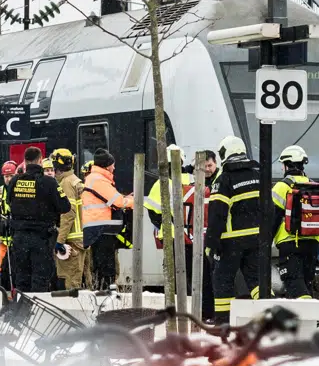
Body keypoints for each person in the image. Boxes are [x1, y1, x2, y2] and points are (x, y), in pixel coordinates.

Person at [146, 145, 214, 319]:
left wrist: (170, 223)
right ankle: (205, 312)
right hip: (193, 237)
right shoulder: (190, 180)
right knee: (201, 276)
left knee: (176, 279)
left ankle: (180, 313)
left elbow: (153, 213)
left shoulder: (161, 184)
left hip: (173, 239)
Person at [206, 135, 262, 320]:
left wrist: (211, 244)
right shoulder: (259, 177)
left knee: (222, 281)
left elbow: (217, 215)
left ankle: (223, 323)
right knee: (257, 281)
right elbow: (269, 209)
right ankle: (269, 316)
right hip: (256, 240)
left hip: (230, 242)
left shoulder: (224, 180)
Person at [5, 146, 69, 292]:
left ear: (25, 161)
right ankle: (35, 305)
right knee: (40, 279)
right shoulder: (49, 182)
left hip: (19, 238)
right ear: (40, 160)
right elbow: (65, 206)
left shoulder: (15, 181)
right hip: (41, 238)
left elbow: (9, 201)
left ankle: (21, 306)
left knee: (22, 279)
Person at [269, 144, 319, 299]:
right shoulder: (315, 186)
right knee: (307, 282)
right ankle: (309, 311)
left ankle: (305, 309)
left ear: (287, 165)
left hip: (290, 243)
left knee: (294, 284)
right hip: (313, 243)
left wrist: (265, 244)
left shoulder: (281, 187)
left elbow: (273, 218)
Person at [81, 149, 133, 290]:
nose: (114, 168)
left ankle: (102, 290)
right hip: (101, 229)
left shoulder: (96, 178)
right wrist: (133, 201)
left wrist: (125, 198)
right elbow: (118, 202)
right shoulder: (98, 180)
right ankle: (105, 293)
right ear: (107, 166)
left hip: (99, 228)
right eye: (112, 164)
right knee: (106, 268)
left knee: (101, 266)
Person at [50, 148, 88, 290]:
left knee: (69, 282)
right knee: (79, 279)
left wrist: (59, 241)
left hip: (71, 241)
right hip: (80, 239)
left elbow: (68, 214)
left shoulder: (66, 184)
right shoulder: (75, 181)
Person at [0, 160, 17, 287]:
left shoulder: (20, 190)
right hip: (3, 238)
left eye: (11, 176)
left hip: (16, 237)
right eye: (6, 176)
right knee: (2, 269)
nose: (8, 179)